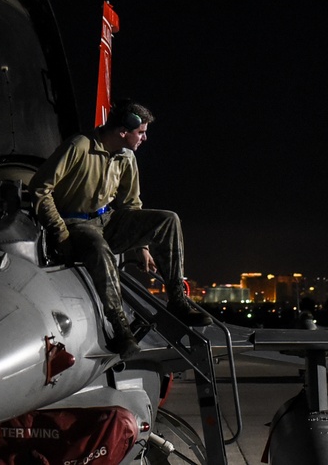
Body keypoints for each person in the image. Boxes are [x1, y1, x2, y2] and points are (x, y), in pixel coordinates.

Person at [29, 99, 211, 359]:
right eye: (141, 132)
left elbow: (130, 205)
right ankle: (120, 327)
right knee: (99, 248)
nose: (145, 138)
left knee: (168, 219)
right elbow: (39, 188)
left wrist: (142, 247)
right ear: (123, 131)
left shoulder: (126, 156)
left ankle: (177, 300)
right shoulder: (79, 146)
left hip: (108, 219)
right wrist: (60, 232)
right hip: (76, 223)